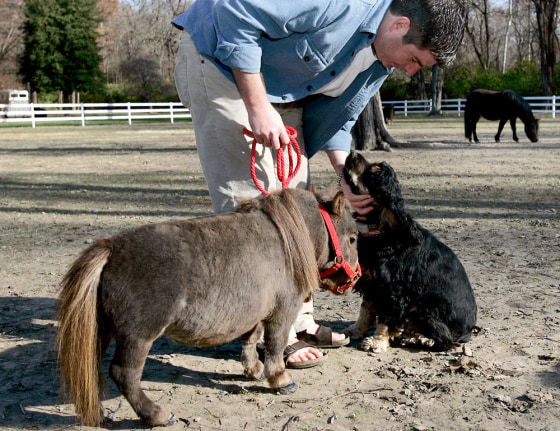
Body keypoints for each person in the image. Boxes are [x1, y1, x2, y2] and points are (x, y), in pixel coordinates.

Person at [172, 0, 465, 368]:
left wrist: (347, 177)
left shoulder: (380, 58)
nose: (408, 72)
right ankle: (267, 337)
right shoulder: (337, 4)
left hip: (283, 85)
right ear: (399, 25)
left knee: (301, 211)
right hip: (220, 61)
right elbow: (234, 11)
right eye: (414, 61)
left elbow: (338, 117)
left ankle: (297, 320)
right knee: (251, 207)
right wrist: (258, 106)